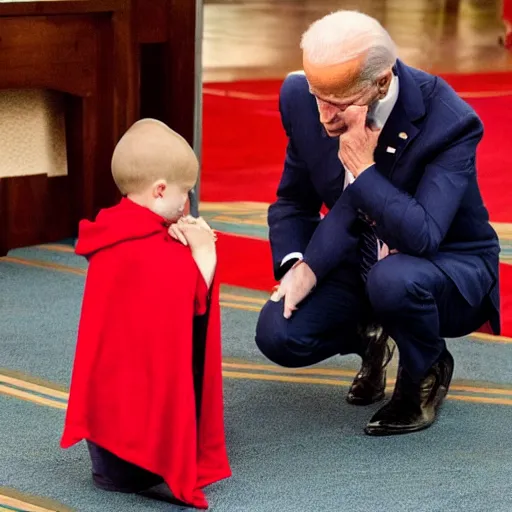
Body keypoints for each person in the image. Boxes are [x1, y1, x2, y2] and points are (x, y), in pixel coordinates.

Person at [255, 11, 500, 436]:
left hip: (444, 266)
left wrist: (364, 172)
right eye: (317, 95)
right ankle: (372, 337)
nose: (323, 116)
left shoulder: (449, 120)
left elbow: (423, 236)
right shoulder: (299, 97)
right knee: (279, 334)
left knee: (394, 280)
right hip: (357, 257)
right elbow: (293, 201)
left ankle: (424, 372)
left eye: (339, 102)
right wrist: (297, 267)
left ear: (382, 82)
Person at [61, 119, 231, 509]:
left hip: (104, 431)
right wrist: (205, 254)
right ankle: (153, 462)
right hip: (137, 443)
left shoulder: (110, 233)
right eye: (184, 194)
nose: (186, 205)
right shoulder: (155, 250)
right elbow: (192, 307)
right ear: (159, 190)